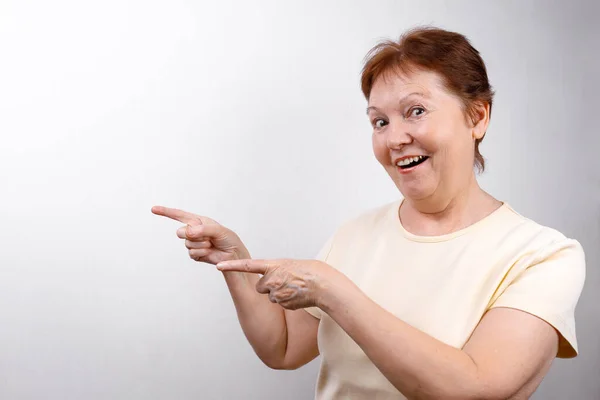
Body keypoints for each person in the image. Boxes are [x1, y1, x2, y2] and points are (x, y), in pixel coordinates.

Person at [152, 27, 586, 399]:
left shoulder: (542, 255)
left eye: (415, 111)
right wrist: (235, 261)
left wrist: (334, 292)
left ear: (477, 116)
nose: (394, 138)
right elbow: (282, 348)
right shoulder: (357, 235)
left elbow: (475, 387)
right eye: (379, 122)